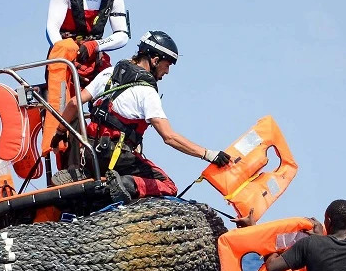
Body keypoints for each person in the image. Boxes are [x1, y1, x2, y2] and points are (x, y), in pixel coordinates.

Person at [55, 31, 231, 199]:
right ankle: (125, 183)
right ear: (155, 60)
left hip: (89, 152)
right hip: (116, 158)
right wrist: (208, 154)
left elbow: (73, 103)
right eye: (167, 65)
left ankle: (84, 173)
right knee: (168, 185)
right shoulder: (147, 92)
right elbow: (169, 137)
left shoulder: (109, 74)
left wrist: (60, 132)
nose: (167, 71)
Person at [43, 0, 129, 164]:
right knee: (68, 109)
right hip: (66, 59)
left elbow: (123, 35)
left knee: (113, 99)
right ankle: (59, 147)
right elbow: (51, 28)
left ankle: (112, 156)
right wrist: (68, 55)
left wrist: (95, 46)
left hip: (95, 57)